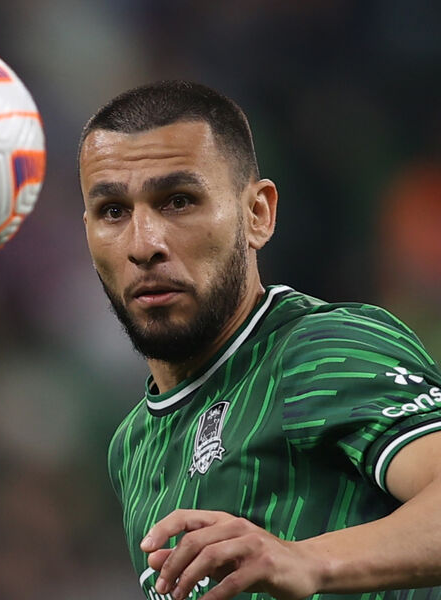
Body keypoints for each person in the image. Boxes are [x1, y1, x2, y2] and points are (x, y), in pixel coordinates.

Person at [77, 80, 441, 600]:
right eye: (113, 210)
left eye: (178, 201)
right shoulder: (132, 446)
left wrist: (308, 559)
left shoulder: (319, 350)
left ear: (258, 214)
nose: (144, 244)